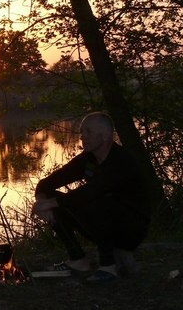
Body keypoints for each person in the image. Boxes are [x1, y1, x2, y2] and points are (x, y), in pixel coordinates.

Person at [31, 112, 150, 284]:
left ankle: (108, 267)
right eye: (81, 133)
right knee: (55, 199)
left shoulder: (122, 161)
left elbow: (92, 191)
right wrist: (42, 201)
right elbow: (47, 183)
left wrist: (50, 203)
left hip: (131, 228)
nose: (82, 137)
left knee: (96, 201)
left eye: (88, 132)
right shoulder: (88, 159)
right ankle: (78, 260)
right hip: (102, 222)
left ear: (105, 135)